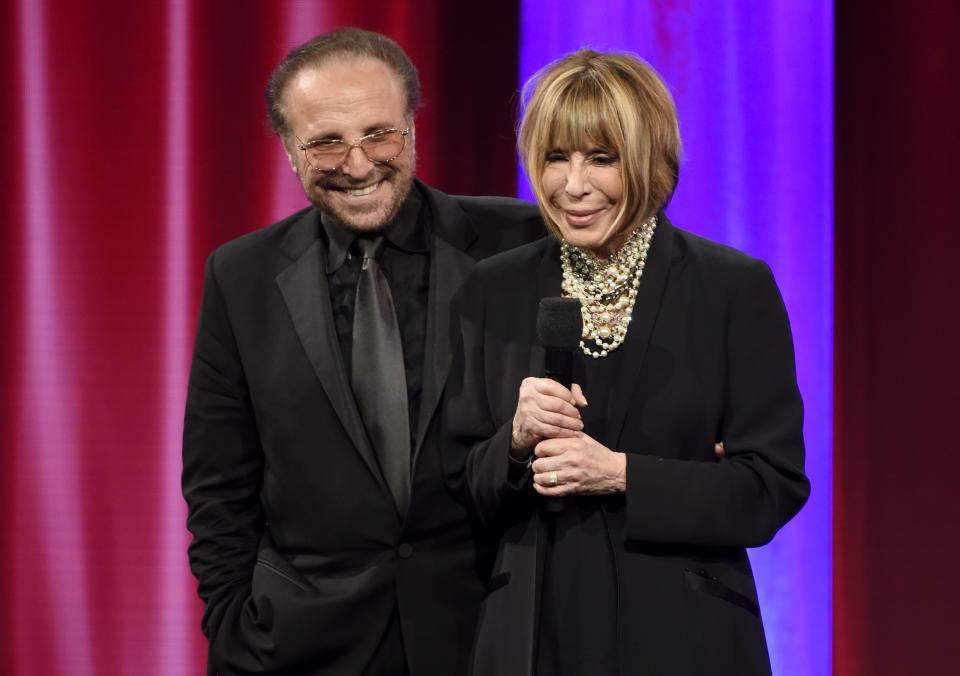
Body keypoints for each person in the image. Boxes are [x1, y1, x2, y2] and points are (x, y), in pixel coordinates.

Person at [181, 28, 543, 676]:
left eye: (379, 134)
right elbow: (218, 486)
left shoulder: (517, 243)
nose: (357, 163)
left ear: (412, 128)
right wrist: (234, 627)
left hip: (489, 632)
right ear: (291, 152)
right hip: (301, 648)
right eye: (325, 141)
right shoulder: (239, 277)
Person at [443, 49, 810, 675]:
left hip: (682, 633)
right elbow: (457, 489)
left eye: (601, 158)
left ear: (648, 159)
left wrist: (620, 473)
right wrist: (513, 442)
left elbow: (768, 488)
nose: (573, 185)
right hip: (531, 637)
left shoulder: (730, 288)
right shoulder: (491, 290)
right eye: (556, 157)